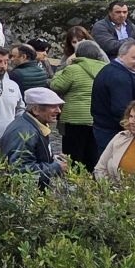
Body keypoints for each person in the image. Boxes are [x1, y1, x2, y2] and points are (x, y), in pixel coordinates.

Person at [50, 39, 108, 171]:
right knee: (92, 153)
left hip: (75, 117)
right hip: (97, 118)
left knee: (73, 155)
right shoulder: (106, 69)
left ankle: (73, 182)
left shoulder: (73, 69)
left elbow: (56, 86)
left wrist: (63, 68)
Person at [0, 87, 66, 182]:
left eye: (58, 106)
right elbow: (21, 170)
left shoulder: (35, 125)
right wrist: (55, 168)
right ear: (36, 110)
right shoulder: (25, 132)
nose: (58, 111)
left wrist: (53, 158)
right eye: (53, 106)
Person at [91, 41, 135, 145]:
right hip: (112, 130)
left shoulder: (111, 69)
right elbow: (121, 109)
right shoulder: (120, 77)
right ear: (122, 56)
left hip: (102, 126)